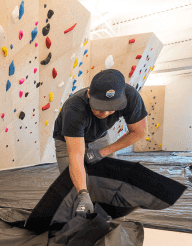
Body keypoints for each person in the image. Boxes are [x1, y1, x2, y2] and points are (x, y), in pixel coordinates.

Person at [52, 69, 148, 216]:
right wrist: (83, 194)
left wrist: (102, 152)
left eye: (110, 109)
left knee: (110, 180)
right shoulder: (74, 108)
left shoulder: (131, 97)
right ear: (89, 94)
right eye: (99, 107)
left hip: (100, 136)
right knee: (72, 190)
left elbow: (139, 132)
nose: (103, 114)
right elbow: (76, 154)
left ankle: (103, 216)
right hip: (67, 140)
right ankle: (79, 219)